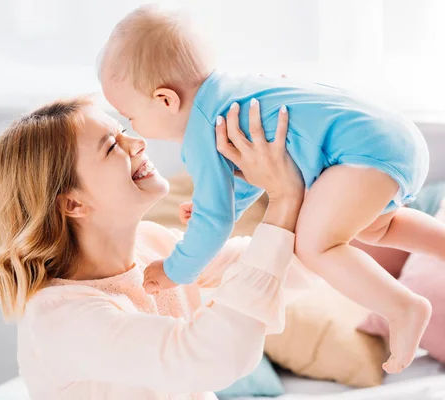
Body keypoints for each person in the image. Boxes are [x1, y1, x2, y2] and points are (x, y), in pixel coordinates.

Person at [99, 4, 442, 373]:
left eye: (130, 116)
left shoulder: (201, 131)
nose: (130, 127)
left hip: (364, 154)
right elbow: (249, 178)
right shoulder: (233, 93)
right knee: (377, 226)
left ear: (165, 100)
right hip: (392, 139)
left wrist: (174, 270)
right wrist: (226, 205)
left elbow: (211, 225)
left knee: (316, 245)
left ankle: (404, 308)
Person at [0, 97, 307, 399]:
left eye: (123, 131)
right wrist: (283, 202)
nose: (138, 143)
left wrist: (336, 218)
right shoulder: (60, 319)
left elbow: (278, 268)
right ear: (73, 202)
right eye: (112, 146)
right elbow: (208, 357)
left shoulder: (153, 244)